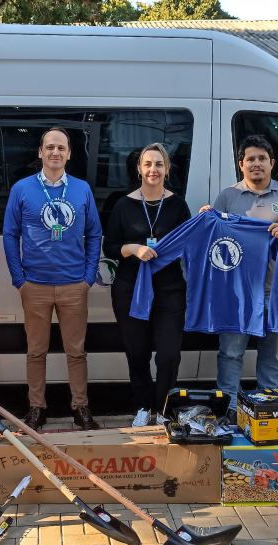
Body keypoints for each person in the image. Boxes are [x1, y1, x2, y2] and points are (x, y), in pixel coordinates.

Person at [199, 135, 278, 404]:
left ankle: (268, 404)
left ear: (272, 163)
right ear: (241, 164)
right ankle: (228, 406)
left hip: (275, 292)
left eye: (262, 159)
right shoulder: (228, 196)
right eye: (250, 159)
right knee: (230, 352)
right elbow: (209, 240)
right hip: (236, 294)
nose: (256, 164)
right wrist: (206, 217)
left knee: (272, 354)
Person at [2, 127, 103, 431]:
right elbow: (10, 234)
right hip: (35, 285)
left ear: (69, 154)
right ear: (40, 153)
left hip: (74, 284)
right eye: (49, 147)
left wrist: (88, 277)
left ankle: (81, 408)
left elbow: (94, 233)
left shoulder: (82, 189)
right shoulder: (22, 189)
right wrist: (19, 278)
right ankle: (36, 408)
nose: (55, 153)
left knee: (76, 352)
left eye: (61, 148)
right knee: (36, 351)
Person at [103, 144, 191, 427]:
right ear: (139, 169)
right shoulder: (122, 204)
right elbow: (110, 246)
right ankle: (143, 406)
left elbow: (190, 243)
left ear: (167, 169)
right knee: (137, 352)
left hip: (169, 289)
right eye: (148, 164)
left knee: (169, 354)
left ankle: (164, 409)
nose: (153, 170)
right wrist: (132, 248)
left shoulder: (178, 204)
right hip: (130, 288)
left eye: (159, 164)